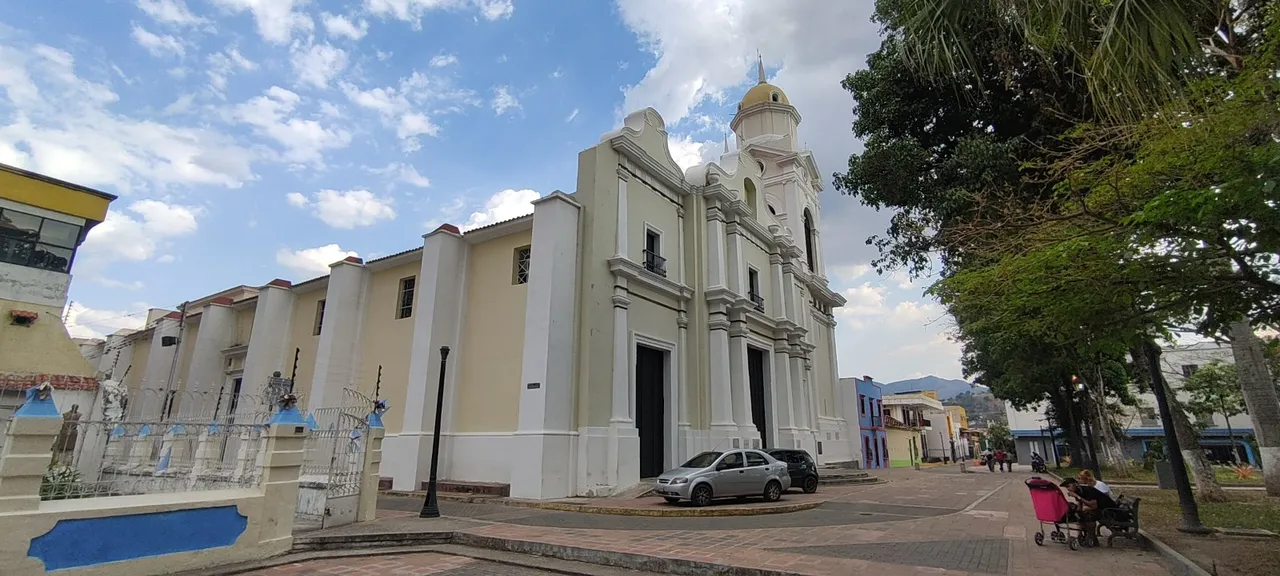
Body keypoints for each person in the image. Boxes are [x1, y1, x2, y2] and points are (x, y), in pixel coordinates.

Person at [1060, 477, 1118, 546]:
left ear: (1075, 484)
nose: (1068, 489)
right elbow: (1079, 507)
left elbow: (1093, 506)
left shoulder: (1088, 490)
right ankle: (1082, 535)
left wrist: (1078, 497)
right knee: (1080, 515)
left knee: (1089, 516)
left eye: (1068, 486)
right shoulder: (1078, 492)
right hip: (1101, 510)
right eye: (1066, 487)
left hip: (1109, 511)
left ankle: (1093, 539)